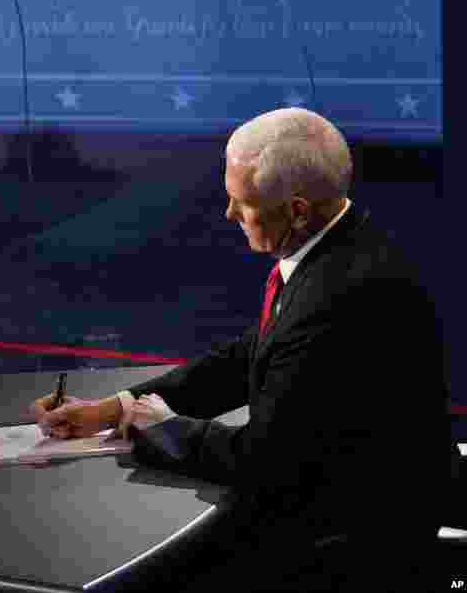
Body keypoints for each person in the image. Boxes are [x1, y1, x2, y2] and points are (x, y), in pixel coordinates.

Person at [31, 107, 454, 591]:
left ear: (296, 210)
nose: (228, 213)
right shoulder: (342, 246)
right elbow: (253, 353)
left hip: (352, 545)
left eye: (241, 201)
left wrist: (162, 430)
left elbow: (267, 461)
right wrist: (115, 408)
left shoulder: (338, 293)